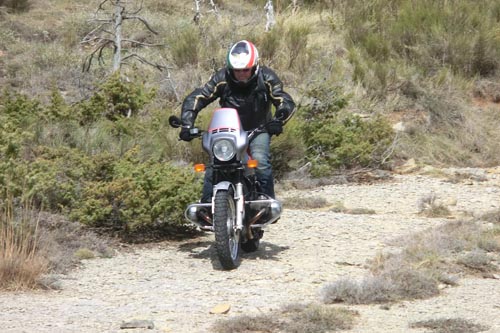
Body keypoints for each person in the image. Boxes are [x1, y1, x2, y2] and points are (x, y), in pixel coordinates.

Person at [179, 40, 295, 202]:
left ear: (254, 67)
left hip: (258, 129)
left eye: (245, 70)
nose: (241, 74)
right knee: (215, 164)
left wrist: (279, 119)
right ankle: (207, 206)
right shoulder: (222, 78)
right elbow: (198, 97)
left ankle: (266, 201)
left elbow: (283, 99)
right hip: (228, 131)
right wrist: (186, 124)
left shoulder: (267, 77)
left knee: (260, 160)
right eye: (236, 70)